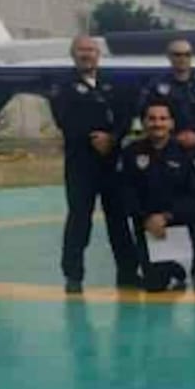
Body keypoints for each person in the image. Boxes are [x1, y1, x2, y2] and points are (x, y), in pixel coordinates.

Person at [48, 34, 141, 294]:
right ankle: (73, 275)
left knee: (119, 219)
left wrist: (113, 138)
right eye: (81, 50)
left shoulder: (113, 84)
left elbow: (125, 115)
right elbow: (65, 119)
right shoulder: (61, 86)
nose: (86, 54)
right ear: (73, 54)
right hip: (81, 163)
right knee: (79, 219)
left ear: (98, 55)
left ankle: (128, 272)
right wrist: (94, 137)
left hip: (112, 161)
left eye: (91, 50)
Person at [119, 98, 195, 294]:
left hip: (179, 215)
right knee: (155, 285)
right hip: (148, 221)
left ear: (172, 123)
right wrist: (146, 217)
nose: (157, 123)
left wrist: (167, 216)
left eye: (163, 119)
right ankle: (174, 270)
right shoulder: (131, 153)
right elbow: (126, 192)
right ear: (143, 122)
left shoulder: (188, 153)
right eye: (152, 119)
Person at [138, 37, 195, 203]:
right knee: (161, 204)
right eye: (177, 54)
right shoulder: (156, 87)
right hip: (164, 153)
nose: (182, 58)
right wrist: (170, 138)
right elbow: (144, 116)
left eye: (187, 54)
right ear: (169, 56)